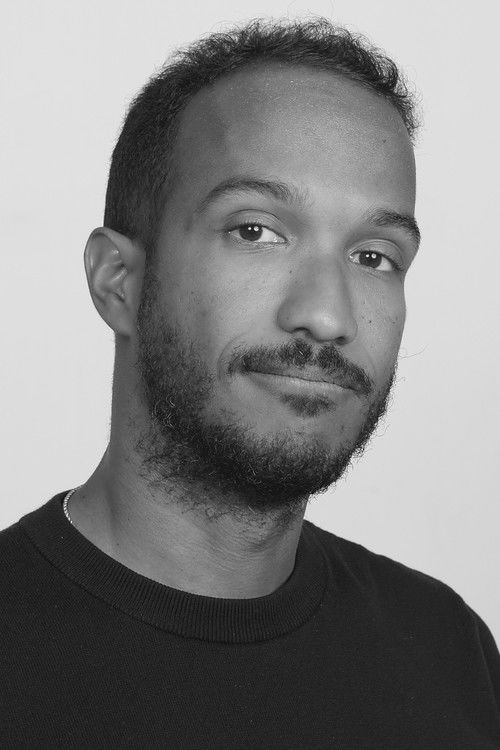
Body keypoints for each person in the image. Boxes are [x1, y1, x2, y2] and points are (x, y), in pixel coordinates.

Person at [1, 17, 499, 749]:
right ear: (118, 281)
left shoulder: (449, 654)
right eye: (256, 231)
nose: (327, 316)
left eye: (373, 256)